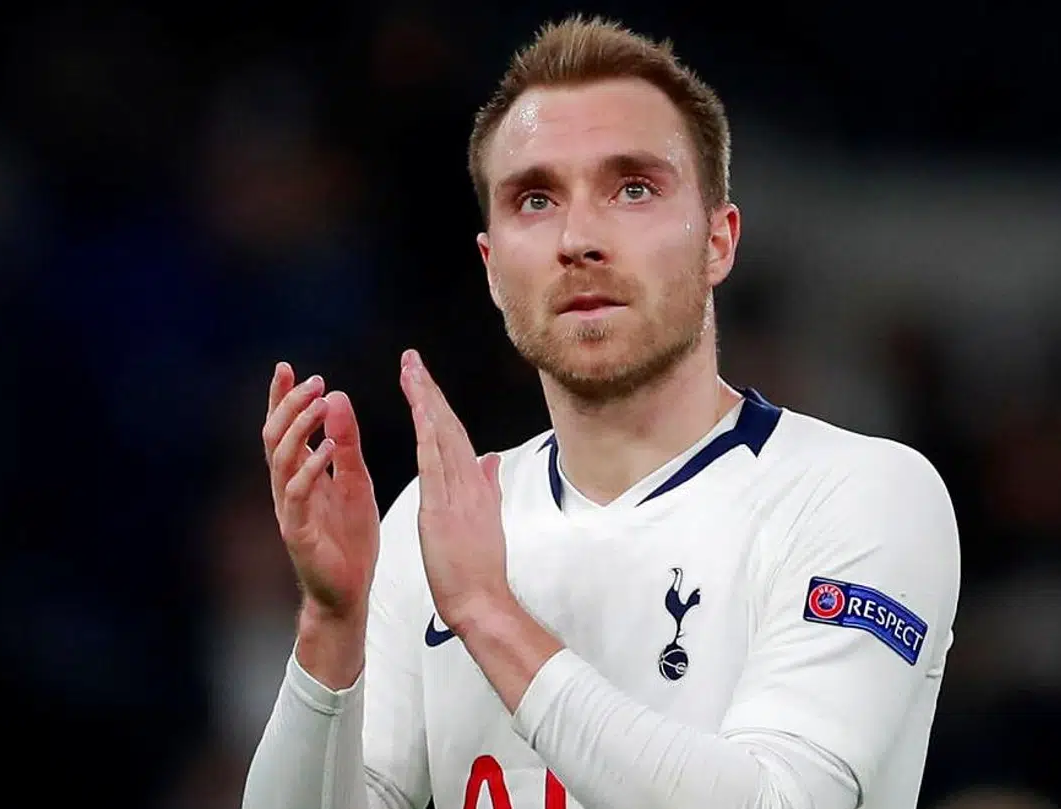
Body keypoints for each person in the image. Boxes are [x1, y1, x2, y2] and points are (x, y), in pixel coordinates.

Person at [245, 13, 960, 809]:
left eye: (633, 188)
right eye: (536, 198)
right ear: (490, 265)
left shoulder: (860, 493)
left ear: (718, 241)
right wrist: (331, 629)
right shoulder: (439, 527)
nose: (578, 236)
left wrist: (488, 612)